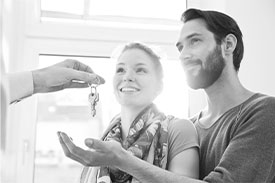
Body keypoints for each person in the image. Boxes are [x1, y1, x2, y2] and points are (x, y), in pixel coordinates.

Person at [57, 8, 275, 183]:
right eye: (180, 47)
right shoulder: (189, 127)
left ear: (228, 44)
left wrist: (124, 161)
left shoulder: (264, 111)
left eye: (195, 41)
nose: (183, 55)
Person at [58, 42, 199, 183]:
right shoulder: (108, 137)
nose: (127, 77)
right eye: (120, 70)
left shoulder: (179, 129)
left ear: (159, 86)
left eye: (141, 70)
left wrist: (122, 161)